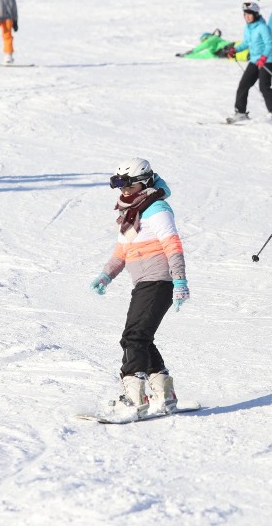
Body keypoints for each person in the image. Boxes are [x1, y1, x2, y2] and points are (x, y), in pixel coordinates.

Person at [89, 158, 190, 417]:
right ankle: (165, 395)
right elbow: (121, 251)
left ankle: (135, 399)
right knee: (140, 338)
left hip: (159, 282)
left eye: (128, 184)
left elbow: (173, 245)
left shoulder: (157, 209)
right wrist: (105, 276)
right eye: (118, 185)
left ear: (143, 182)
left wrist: (179, 280)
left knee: (133, 338)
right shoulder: (132, 213)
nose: (122, 190)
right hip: (145, 284)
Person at [226, 2, 272, 124]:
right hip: (254, 60)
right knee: (243, 85)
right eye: (245, 14)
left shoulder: (262, 27)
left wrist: (263, 58)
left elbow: (269, 45)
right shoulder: (248, 28)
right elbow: (246, 43)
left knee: (264, 87)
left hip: (267, 60)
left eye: (250, 14)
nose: (247, 17)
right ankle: (241, 113)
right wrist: (235, 50)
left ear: (256, 14)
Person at [175, 29, 248, 61]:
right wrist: (185, 56)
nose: (203, 42)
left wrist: (192, 51)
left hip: (236, 47)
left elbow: (205, 44)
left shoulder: (214, 38)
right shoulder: (211, 51)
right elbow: (201, 56)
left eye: (203, 40)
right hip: (233, 56)